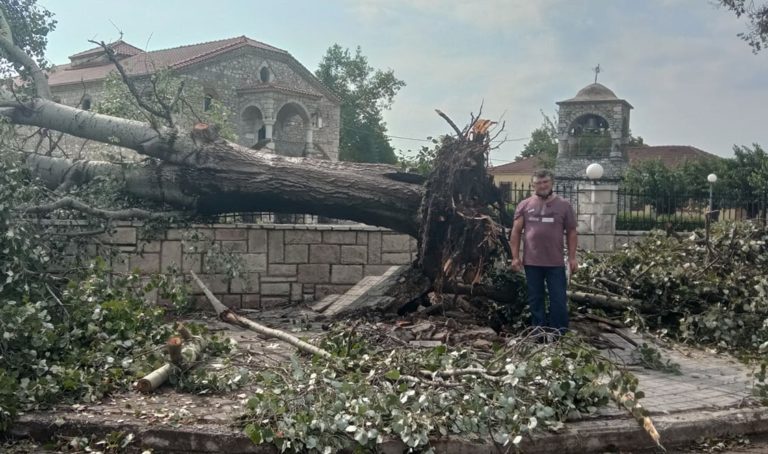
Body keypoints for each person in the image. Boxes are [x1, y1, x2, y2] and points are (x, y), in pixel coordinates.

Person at [509, 169, 578, 335]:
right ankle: (539, 332)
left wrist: (573, 258)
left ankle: (558, 333)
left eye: (545, 182)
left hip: (555, 263)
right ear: (533, 185)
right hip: (532, 262)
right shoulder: (524, 205)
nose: (542, 185)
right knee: (536, 299)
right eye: (538, 183)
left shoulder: (564, 205)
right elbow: (516, 231)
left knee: (558, 299)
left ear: (551, 183)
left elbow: (572, 232)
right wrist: (515, 257)